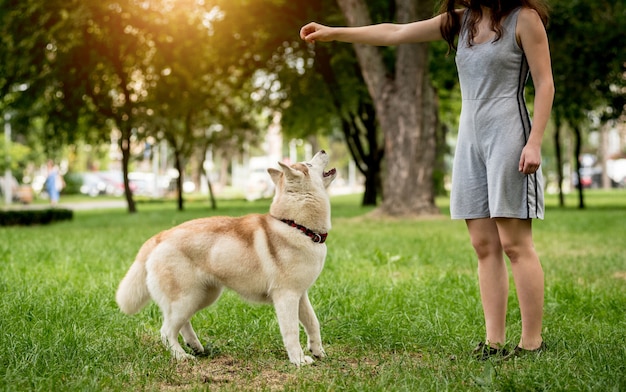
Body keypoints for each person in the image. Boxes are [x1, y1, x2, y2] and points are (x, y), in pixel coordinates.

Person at [300, 0, 554, 360]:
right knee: (483, 245)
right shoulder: (459, 21)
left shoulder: (524, 20)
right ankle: (494, 342)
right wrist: (334, 33)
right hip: (470, 139)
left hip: (509, 136)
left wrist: (534, 141)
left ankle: (532, 342)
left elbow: (545, 84)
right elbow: (396, 32)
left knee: (515, 244)